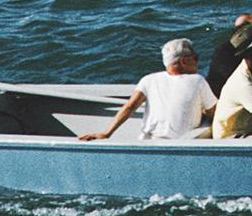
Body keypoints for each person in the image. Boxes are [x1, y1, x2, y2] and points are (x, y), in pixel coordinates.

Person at [82, 37, 215, 142]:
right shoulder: (198, 81)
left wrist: (107, 133)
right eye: (195, 58)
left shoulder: (149, 79)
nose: (197, 62)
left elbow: (130, 107)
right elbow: (214, 113)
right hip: (178, 143)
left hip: (146, 140)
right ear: (183, 61)